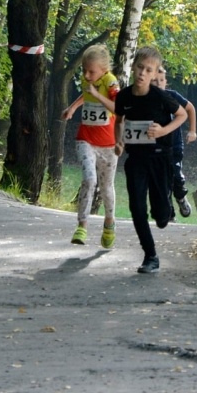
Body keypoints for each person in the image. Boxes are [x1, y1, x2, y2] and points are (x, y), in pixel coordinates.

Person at [114, 45, 188, 274]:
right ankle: (150, 256)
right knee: (137, 207)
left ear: (155, 74)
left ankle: (165, 211)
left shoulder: (160, 97)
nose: (143, 73)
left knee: (161, 214)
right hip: (136, 159)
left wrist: (164, 131)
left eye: (149, 70)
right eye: (140, 67)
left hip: (160, 159)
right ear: (133, 67)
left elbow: (182, 114)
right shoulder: (124, 96)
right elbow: (119, 121)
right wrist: (119, 141)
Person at [62, 44, 120, 249]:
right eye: (84, 70)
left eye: (91, 71)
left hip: (109, 144)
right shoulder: (90, 81)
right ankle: (82, 225)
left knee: (106, 187)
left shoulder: (111, 83)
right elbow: (85, 94)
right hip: (85, 139)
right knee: (89, 179)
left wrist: (97, 95)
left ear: (104, 70)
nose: (87, 75)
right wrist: (72, 108)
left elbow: (118, 107)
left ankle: (109, 223)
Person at [156, 64, 197, 217]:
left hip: (174, 145)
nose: (157, 84)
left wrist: (192, 131)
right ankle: (170, 216)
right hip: (155, 148)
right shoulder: (144, 100)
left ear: (165, 82)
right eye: (154, 81)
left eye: (160, 81)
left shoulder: (172, 96)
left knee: (176, 178)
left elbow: (190, 108)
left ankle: (180, 197)